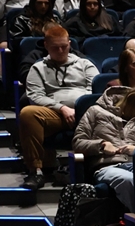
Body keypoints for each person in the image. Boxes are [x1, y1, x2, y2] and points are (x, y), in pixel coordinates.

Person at [17, 26, 99, 189]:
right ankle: (36, 171)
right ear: (46, 46)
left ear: (70, 44)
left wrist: (79, 107)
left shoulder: (85, 64)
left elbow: (96, 90)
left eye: (64, 46)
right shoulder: (38, 68)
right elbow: (35, 96)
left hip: (85, 113)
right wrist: (61, 108)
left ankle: (97, 169)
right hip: (54, 114)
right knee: (27, 113)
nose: (61, 51)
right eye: (55, 47)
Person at [72, 85, 135, 211]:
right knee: (129, 180)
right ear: (131, 103)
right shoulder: (95, 111)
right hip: (106, 166)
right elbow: (77, 142)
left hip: (133, 164)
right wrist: (101, 145)